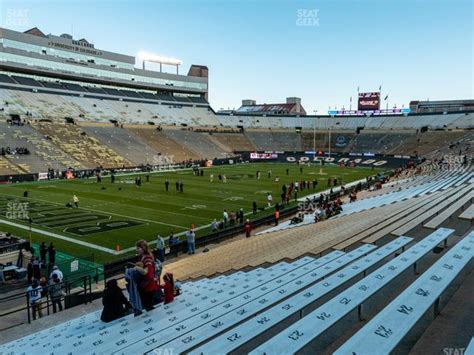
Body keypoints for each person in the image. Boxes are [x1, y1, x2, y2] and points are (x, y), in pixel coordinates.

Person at [135, 240, 158, 311]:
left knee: (148, 307)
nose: (136, 250)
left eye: (138, 248)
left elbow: (149, 275)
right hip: (146, 286)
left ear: (143, 248)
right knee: (147, 307)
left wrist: (137, 269)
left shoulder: (147, 258)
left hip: (148, 287)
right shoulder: (142, 257)